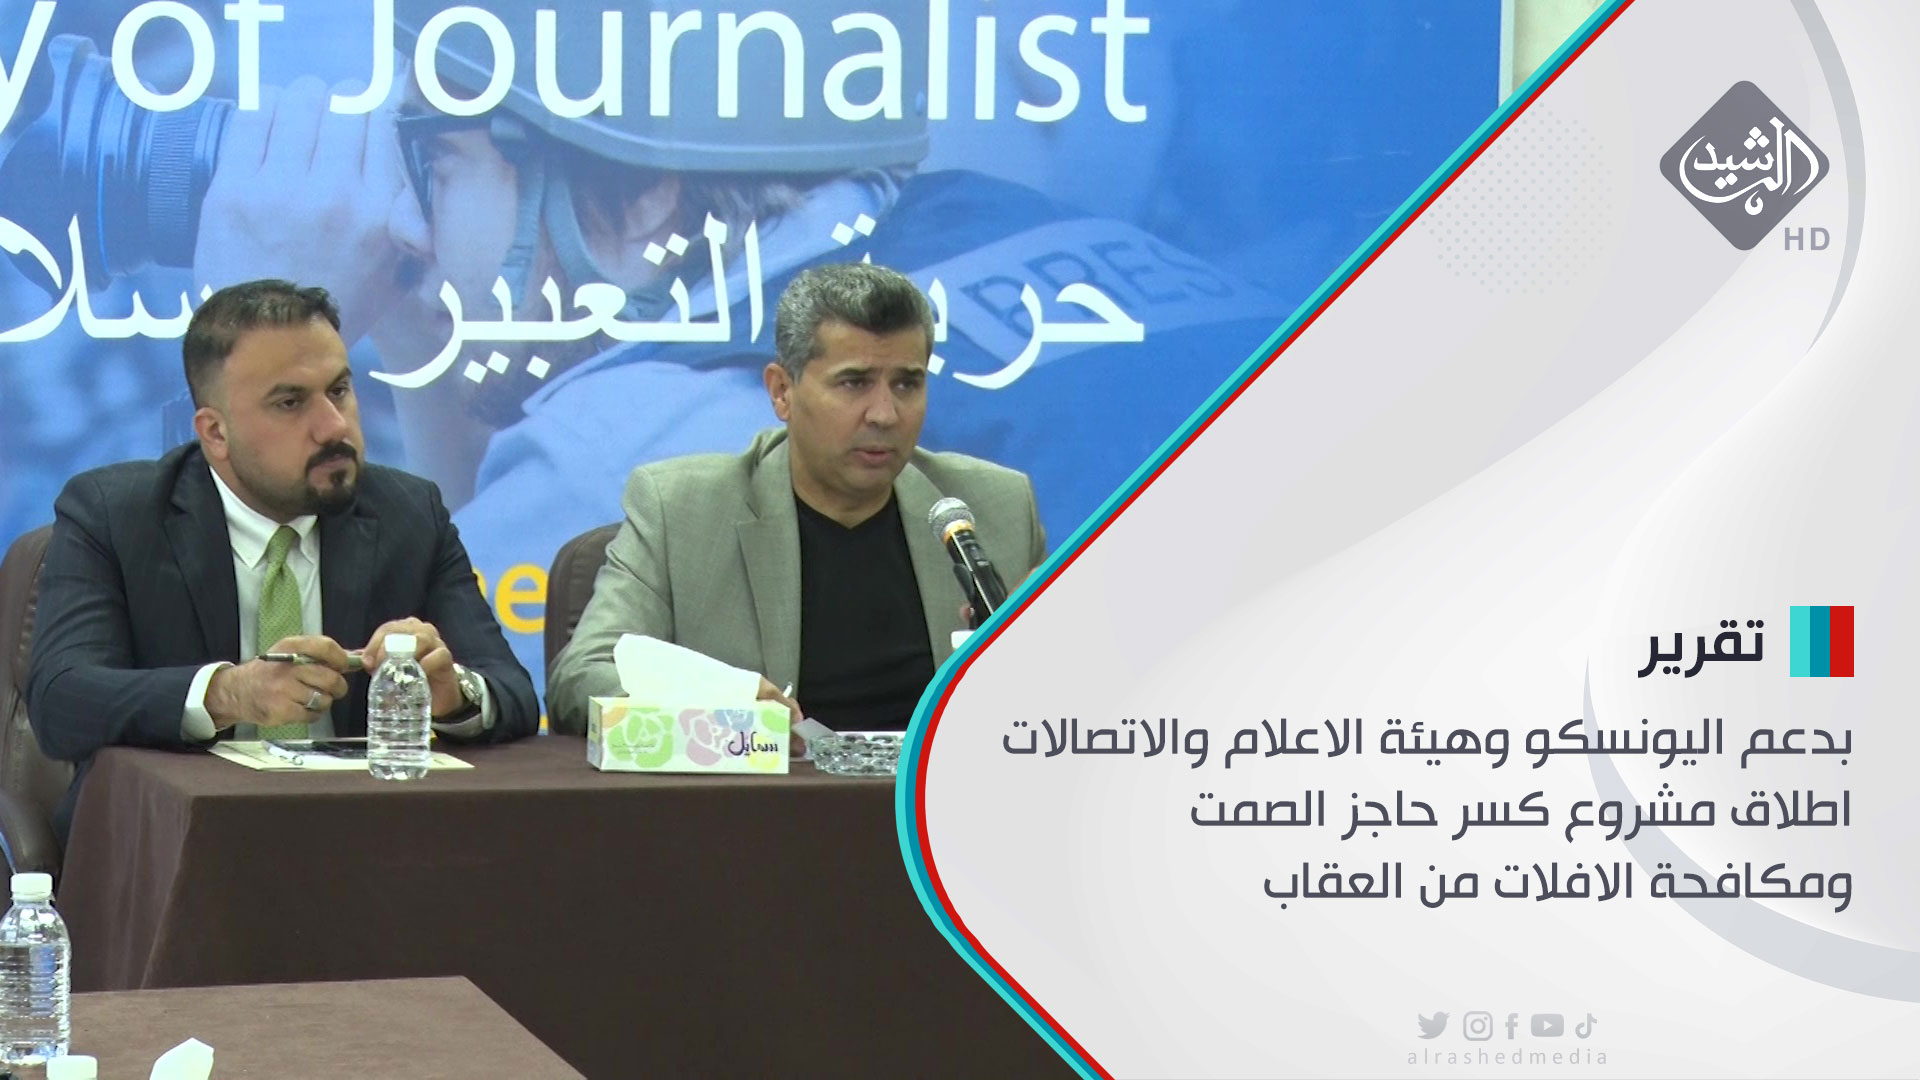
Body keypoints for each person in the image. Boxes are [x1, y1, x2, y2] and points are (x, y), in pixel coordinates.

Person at [183, 0, 1288, 702]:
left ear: (639, 199)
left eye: (438, 162)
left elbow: (329, 713)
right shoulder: (1062, 242)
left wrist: (248, 322)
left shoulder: (638, 440)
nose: (409, 223)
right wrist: (429, 347)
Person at [25, 279, 539, 842]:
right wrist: (229, 693)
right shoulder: (115, 516)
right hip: (177, 844)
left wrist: (453, 694)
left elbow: (511, 691)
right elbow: (61, 700)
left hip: (370, 843)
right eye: (290, 403)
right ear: (215, 433)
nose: (333, 426)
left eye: (339, 390)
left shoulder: (409, 513)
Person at [545, 264, 1044, 735]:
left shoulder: (994, 507)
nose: (885, 414)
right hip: (768, 797)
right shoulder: (680, 512)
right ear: (782, 391)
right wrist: (721, 708)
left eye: (907, 384)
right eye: (854, 383)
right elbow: (582, 678)